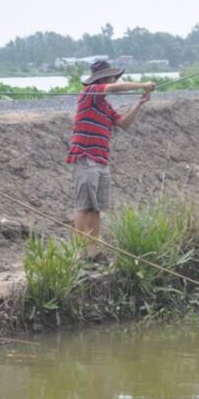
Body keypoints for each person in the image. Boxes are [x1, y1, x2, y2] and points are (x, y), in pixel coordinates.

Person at [67, 60, 156, 258]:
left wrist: (139, 104)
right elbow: (116, 88)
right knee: (84, 206)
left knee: (96, 208)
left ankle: (93, 250)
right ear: (103, 78)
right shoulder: (90, 93)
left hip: (101, 161)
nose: (115, 79)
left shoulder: (104, 106)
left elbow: (123, 124)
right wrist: (142, 85)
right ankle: (79, 252)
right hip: (86, 158)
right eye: (112, 77)